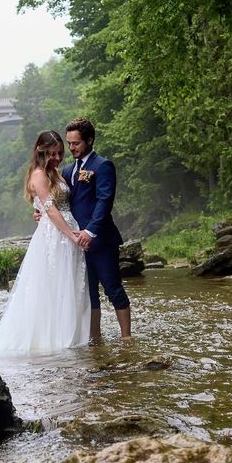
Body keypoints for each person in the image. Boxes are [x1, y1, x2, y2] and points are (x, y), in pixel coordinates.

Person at [0, 130, 91, 354]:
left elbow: (49, 205)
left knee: (71, 283)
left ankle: (75, 336)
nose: (58, 158)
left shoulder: (56, 173)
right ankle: (57, 340)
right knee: (55, 284)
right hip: (56, 236)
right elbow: (49, 208)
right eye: (53, 154)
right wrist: (71, 234)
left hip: (68, 232)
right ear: (41, 151)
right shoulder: (39, 174)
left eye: (60, 153)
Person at [61, 118, 131, 340]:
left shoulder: (102, 166)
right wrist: (41, 213)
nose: (72, 148)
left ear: (90, 140)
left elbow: (104, 200)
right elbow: (61, 201)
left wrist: (90, 231)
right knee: (89, 294)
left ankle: (126, 338)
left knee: (113, 289)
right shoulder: (68, 170)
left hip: (101, 240)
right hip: (76, 242)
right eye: (69, 143)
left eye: (76, 143)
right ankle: (95, 339)